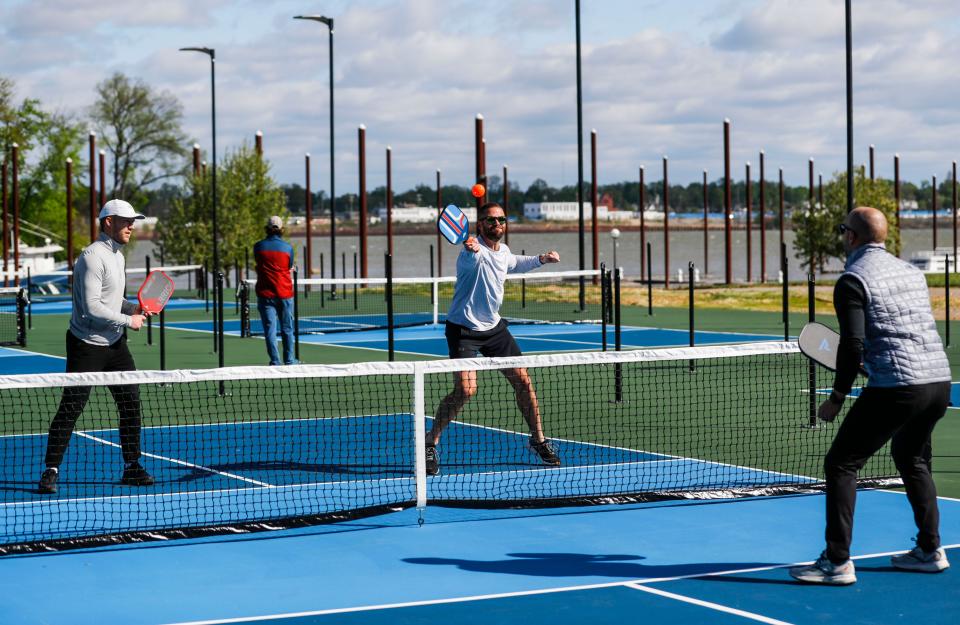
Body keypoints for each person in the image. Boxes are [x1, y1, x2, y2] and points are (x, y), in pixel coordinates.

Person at [790, 206, 952, 585]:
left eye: (843, 230)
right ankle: (930, 550)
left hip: (898, 385)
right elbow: (901, 330)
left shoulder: (852, 279)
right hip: (937, 382)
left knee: (842, 464)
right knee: (911, 458)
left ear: (851, 237)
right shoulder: (913, 273)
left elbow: (853, 344)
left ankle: (837, 562)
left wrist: (836, 397)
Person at [425, 202, 562, 476]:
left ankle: (538, 440)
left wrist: (541, 259)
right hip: (463, 329)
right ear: (480, 225)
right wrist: (471, 248)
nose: (496, 224)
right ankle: (430, 443)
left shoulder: (504, 252)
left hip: (495, 329)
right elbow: (473, 259)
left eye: (501, 219)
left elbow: (514, 263)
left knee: (523, 380)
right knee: (465, 390)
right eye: (490, 220)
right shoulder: (470, 254)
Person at [38, 199, 155, 495]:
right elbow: (91, 308)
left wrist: (135, 308)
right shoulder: (92, 257)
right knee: (71, 408)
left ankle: (132, 466)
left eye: (133, 221)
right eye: (126, 220)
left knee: (130, 404)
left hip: (116, 345)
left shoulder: (118, 256)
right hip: (86, 346)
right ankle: (50, 470)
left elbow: (115, 302)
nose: (132, 225)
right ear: (107, 223)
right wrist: (130, 322)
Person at [253, 215, 297, 366]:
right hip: (284, 293)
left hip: (265, 294)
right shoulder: (288, 248)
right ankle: (290, 360)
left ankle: (275, 361)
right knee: (287, 328)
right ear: (281, 229)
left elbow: (258, 264)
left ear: (267, 228)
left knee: (270, 330)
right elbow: (288, 266)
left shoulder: (258, 247)